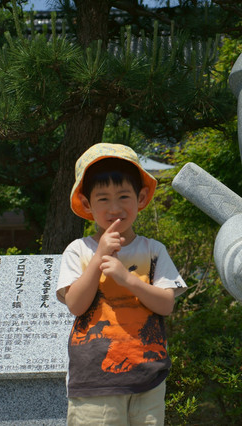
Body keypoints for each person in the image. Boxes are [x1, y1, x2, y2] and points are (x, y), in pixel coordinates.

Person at [56, 142, 187, 425]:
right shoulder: (78, 250)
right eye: (103, 199)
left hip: (148, 377)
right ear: (87, 204)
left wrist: (126, 278)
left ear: (140, 198)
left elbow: (166, 305)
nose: (114, 208)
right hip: (94, 380)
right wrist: (99, 256)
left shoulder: (153, 250)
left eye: (124, 196)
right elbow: (76, 305)